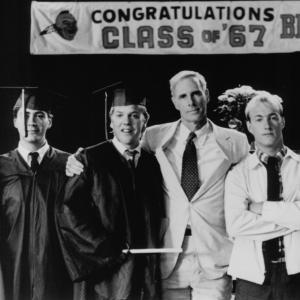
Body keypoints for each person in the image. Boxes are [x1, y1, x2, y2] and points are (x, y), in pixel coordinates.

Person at [66, 71, 249, 300]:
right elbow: (119, 149)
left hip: (214, 255)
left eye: (196, 93)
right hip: (168, 257)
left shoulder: (235, 141)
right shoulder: (154, 138)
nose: (190, 102)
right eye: (182, 96)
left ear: (207, 95)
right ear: (174, 101)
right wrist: (76, 160)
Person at [59, 85, 165, 300]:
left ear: (145, 121)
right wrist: (107, 250)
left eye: (134, 115)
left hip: (144, 271)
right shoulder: (89, 159)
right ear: (111, 121)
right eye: (119, 115)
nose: (126, 122)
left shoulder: (152, 164)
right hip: (104, 274)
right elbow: (69, 214)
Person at [224, 91, 300, 299]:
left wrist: (261, 209)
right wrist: (292, 218)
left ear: (282, 121)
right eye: (259, 119)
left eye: (273, 117)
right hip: (252, 277)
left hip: (296, 274)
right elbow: (236, 224)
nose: (267, 125)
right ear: (249, 126)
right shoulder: (238, 173)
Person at [0, 88, 73, 300]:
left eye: (39, 115)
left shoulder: (70, 165)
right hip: (10, 270)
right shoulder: (2, 167)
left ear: (50, 121)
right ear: (14, 121)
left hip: (58, 272)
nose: (31, 122)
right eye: (25, 115)